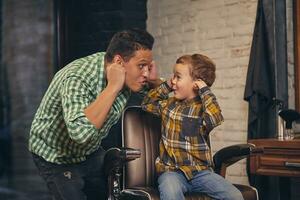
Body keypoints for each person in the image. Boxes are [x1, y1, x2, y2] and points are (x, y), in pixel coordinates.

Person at [29, 28, 161, 200]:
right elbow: (80, 133)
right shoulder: (77, 77)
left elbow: (158, 100)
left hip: (89, 151)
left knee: (108, 195)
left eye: (148, 66)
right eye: (141, 66)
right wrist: (112, 87)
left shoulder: (128, 75)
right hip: (56, 155)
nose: (145, 72)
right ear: (119, 63)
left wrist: (154, 82)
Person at [141, 54, 244, 200]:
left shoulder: (202, 110)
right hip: (172, 172)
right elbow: (147, 103)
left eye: (178, 77)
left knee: (235, 196)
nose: (173, 81)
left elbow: (215, 118)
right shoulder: (168, 106)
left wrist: (205, 91)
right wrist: (167, 86)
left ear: (196, 83)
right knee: (170, 192)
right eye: (173, 77)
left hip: (200, 173)